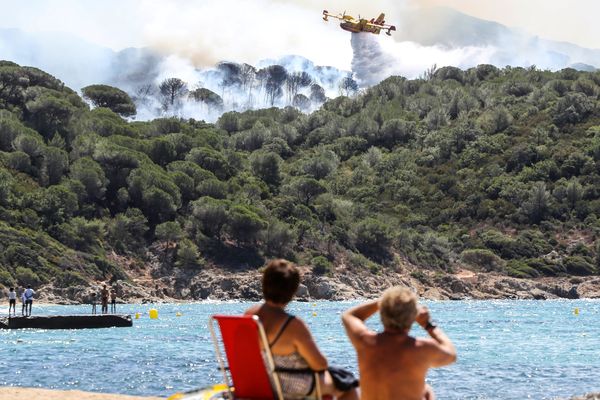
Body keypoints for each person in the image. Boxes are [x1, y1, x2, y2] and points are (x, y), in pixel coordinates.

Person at [245, 259, 359, 400]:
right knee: (346, 383)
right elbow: (319, 364)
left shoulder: (249, 315)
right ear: (292, 290)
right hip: (290, 385)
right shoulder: (292, 325)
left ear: (264, 283)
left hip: (261, 382)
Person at [342, 286, 457, 400]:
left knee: (426, 390)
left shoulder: (366, 342)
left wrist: (385, 301)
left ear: (382, 312)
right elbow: (451, 354)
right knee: (427, 391)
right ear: (413, 316)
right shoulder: (421, 348)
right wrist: (428, 325)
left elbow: (349, 316)